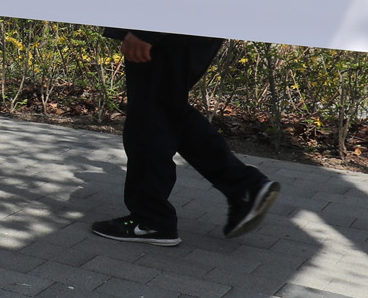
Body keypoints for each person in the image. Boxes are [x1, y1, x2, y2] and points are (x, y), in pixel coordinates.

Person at [92, 28, 280, 246]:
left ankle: (151, 220)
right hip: (186, 30)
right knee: (165, 112)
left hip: (168, 32)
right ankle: (244, 186)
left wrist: (146, 32)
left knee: (149, 120)